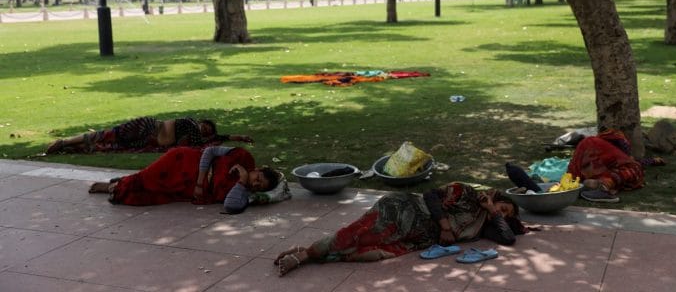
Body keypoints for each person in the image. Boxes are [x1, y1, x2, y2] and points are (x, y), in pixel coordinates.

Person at [274, 182, 526, 276]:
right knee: (353, 236)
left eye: (504, 215)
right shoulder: (467, 193)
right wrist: (445, 226)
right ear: (498, 195)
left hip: (416, 239)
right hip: (403, 211)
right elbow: (430, 195)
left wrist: (494, 212)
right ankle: (306, 254)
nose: (501, 214)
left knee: (367, 253)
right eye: (504, 208)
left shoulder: (485, 224)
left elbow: (508, 239)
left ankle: (314, 253)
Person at [88, 146, 279, 214]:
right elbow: (210, 151)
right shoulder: (243, 157)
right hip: (187, 162)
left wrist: (243, 181)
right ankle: (112, 186)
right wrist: (200, 181)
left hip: (188, 188)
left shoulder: (243, 191)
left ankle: (118, 184)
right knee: (146, 178)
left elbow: (230, 207)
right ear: (258, 169)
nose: (255, 183)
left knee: (153, 193)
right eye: (258, 178)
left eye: (258, 185)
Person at [46, 116, 253, 154]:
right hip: (146, 127)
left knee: (110, 143)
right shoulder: (190, 123)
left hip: (146, 138)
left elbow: (215, 139)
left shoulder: (194, 136)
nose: (204, 129)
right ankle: (65, 141)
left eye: (208, 131)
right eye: (205, 126)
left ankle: (71, 145)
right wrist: (231, 137)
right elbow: (208, 141)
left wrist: (238, 137)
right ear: (200, 122)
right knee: (106, 135)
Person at [568, 129, 645, 203]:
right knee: (634, 168)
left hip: (580, 172)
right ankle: (602, 187)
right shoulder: (615, 140)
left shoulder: (608, 144)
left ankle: (598, 187)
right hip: (591, 151)